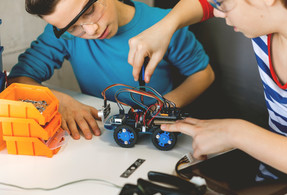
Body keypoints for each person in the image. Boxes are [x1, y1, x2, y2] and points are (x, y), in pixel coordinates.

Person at [127, 0, 287, 192]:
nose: (220, 13)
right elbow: (205, 4)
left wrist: (235, 133)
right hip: (274, 183)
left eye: (224, 4)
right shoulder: (265, 22)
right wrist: (166, 26)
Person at [7, 0, 214, 140]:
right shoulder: (62, 35)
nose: (91, 30)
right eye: (73, 27)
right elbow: (18, 80)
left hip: (157, 132)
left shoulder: (164, 24)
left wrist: (163, 108)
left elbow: (203, 74)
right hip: (102, 137)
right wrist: (59, 101)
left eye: (89, 12)